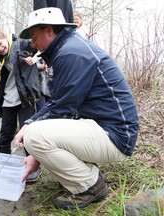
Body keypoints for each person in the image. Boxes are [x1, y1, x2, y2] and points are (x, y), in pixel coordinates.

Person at [15, 7, 139, 209]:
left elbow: (63, 107)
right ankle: (86, 172)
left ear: (49, 30)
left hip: (115, 135)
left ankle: (89, 186)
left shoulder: (71, 53)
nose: (32, 43)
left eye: (34, 36)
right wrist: (35, 153)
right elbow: (62, 106)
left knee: (34, 135)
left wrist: (29, 125)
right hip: (102, 127)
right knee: (36, 132)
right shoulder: (66, 49)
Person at [0, 26, 42, 182]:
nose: (0, 49)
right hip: (8, 100)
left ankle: (33, 168)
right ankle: (4, 165)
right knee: (5, 136)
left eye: (0, 44)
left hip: (25, 98)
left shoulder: (22, 45)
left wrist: (35, 59)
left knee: (27, 135)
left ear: (5, 36)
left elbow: (43, 49)